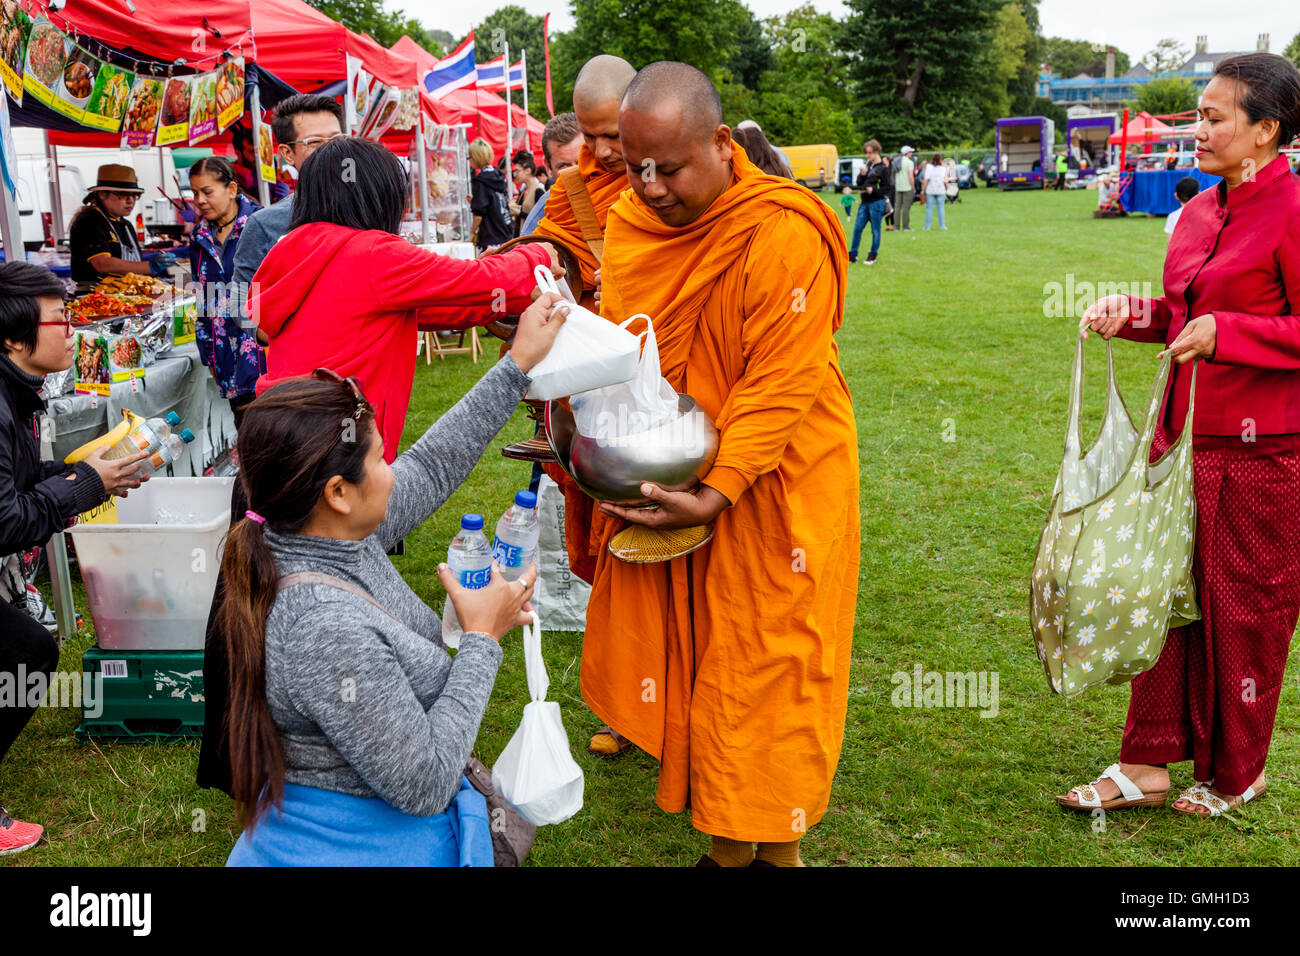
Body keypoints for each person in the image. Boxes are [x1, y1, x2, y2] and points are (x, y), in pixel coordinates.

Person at [580, 61, 860, 866]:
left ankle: (771, 854)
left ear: (719, 140)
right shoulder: (633, 222)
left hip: (779, 480)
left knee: (772, 658)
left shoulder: (781, 227)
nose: (650, 185)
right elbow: (627, 351)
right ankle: (734, 849)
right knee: (704, 655)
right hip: (677, 469)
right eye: (635, 166)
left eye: (669, 166)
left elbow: (784, 378)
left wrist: (720, 487)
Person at [223, 292, 567, 866]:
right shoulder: (322, 627)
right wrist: (482, 639)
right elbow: (426, 783)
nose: (393, 471)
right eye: (381, 460)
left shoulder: (329, 534)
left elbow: (433, 464)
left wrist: (516, 366)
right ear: (336, 493)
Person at [1068, 52, 1300, 818]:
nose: (1196, 129)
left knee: (1243, 610)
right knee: (1163, 602)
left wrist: (1228, 331)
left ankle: (1239, 772)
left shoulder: (1293, 212)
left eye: (1213, 117)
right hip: (1180, 445)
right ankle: (1147, 762)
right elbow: (1180, 316)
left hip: (1263, 454)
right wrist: (1130, 315)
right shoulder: (1198, 209)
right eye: (1198, 114)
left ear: (1266, 130)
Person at [249, 136, 560, 463]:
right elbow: (477, 279)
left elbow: (431, 307)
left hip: (283, 438)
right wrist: (536, 254)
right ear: (376, 194)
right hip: (337, 452)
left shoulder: (294, 247)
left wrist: (507, 300)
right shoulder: (370, 252)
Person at [0, 263, 149, 856]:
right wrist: (85, 483)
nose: (73, 330)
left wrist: (82, 475)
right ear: (13, 339)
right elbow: (6, 520)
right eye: (60, 319)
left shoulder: (14, 392)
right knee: (27, 651)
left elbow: (16, 483)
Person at [528, 55, 639, 757]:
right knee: (610, 552)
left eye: (609, 136)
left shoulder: (679, 175)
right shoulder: (572, 190)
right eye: (588, 137)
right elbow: (544, 265)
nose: (597, 153)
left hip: (671, 391)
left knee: (672, 551)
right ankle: (630, 708)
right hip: (595, 393)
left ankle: (679, 701)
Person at [231, 94, 345, 302]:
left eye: (337, 140)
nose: (331, 150)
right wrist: (280, 334)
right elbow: (242, 302)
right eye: (315, 142)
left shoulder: (369, 208)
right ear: (287, 153)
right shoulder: (265, 224)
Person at [186, 157, 263, 423]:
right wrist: (207, 352)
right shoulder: (199, 238)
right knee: (248, 436)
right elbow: (202, 298)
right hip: (227, 358)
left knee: (280, 437)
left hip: (265, 353)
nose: (199, 200)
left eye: (207, 192)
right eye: (194, 193)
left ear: (231, 189)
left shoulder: (261, 225)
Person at [67, 165, 176, 292]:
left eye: (134, 195)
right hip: (96, 295)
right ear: (102, 194)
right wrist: (150, 266)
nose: (130, 201)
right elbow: (102, 264)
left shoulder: (127, 225)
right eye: (123, 195)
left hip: (128, 293)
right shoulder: (89, 221)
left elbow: (134, 265)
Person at [520, 112, 583, 236]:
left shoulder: (619, 190)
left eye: (581, 161)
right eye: (564, 166)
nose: (575, 172)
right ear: (548, 167)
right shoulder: (541, 218)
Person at [469, 138, 514, 251]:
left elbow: (479, 213)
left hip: (491, 237)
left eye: (470, 156)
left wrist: (471, 233)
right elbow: (493, 201)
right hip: (506, 233)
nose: (470, 160)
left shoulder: (480, 181)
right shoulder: (498, 176)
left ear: (476, 157)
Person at [849, 139, 889, 264]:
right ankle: (853, 254)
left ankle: (873, 255)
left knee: (875, 230)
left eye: (870, 153)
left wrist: (874, 191)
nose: (868, 156)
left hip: (876, 203)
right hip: (864, 203)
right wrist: (862, 175)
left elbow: (887, 187)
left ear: (877, 152)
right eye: (866, 153)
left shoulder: (883, 168)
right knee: (857, 228)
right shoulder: (868, 166)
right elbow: (859, 183)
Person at [230, 126, 290, 204]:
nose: (259, 156)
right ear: (238, 153)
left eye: (261, 150)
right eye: (252, 151)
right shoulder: (230, 176)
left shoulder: (265, 171)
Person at [510, 150, 546, 232]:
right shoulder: (524, 190)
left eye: (517, 171)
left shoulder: (538, 190)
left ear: (528, 170)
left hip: (532, 238)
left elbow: (541, 219)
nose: (515, 175)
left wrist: (520, 213)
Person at [922, 154, 947, 230]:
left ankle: (927, 226)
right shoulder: (943, 168)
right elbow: (945, 180)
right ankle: (942, 226)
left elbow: (926, 179)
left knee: (929, 209)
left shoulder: (929, 167)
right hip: (940, 190)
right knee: (941, 208)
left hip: (931, 190)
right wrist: (947, 187)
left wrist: (923, 189)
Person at [894, 145, 916, 231]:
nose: (911, 153)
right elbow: (911, 176)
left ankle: (896, 227)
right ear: (907, 153)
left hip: (898, 186)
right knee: (906, 207)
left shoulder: (896, 161)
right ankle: (906, 226)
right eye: (910, 152)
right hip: (907, 187)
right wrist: (913, 186)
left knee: (897, 207)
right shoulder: (909, 163)